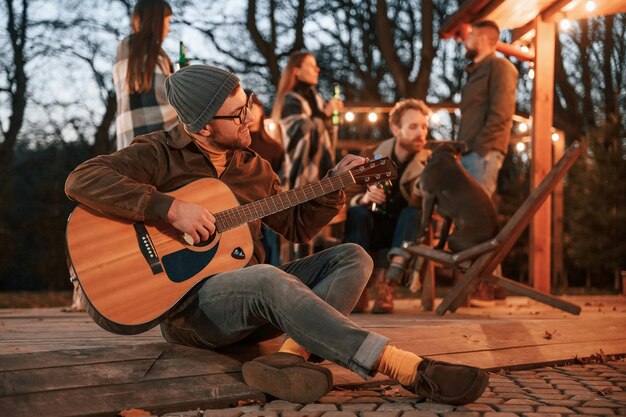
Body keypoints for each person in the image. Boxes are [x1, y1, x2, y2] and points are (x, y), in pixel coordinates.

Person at [65, 64, 488, 406]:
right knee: (267, 276)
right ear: (203, 127)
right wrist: (168, 208)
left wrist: (335, 186)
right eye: (237, 114)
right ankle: (405, 368)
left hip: (252, 306)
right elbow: (82, 179)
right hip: (190, 313)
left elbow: (298, 226)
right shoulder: (157, 153)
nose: (250, 115)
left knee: (353, 257)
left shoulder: (254, 168)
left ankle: (287, 361)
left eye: (246, 103)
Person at [344, 99, 430, 314]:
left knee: (412, 213)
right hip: (372, 227)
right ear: (395, 129)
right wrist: (364, 198)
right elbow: (346, 195)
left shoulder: (430, 162)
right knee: (356, 212)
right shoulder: (373, 155)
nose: (421, 132)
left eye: (424, 126)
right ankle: (358, 289)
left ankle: (388, 286)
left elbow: (431, 205)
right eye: (413, 126)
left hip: (403, 233)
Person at [457, 20, 519, 304]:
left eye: (468, 37)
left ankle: (485, 285)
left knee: (479, 216)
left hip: (483, 153)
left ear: (482, 38)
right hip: (468, 153)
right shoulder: (474, 72)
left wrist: (481, 149)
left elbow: (501, 113)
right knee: (476, 216)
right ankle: (489, 285)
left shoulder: (501, 68)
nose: (464, 42)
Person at [271, 51, 343, 190]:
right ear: (296, 71)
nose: (317, 69)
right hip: (298, 176)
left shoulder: (317, 99)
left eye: (316, 65)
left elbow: (326, 136)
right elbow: (301, 132)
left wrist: (330, 119)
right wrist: (325, 114)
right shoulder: (290, 100)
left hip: (321, 171)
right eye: (311, 65)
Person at [113, 0, 178, 150]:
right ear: (156, 21)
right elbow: (165, 98)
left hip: (128, 142)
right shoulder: (153, 54)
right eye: (167, 22)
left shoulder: (124, 50)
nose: (168, 30)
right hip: (156, 143)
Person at [247, 91, 285, 266]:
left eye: (252, 106)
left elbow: (280, 178)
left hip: (267, 205)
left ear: (261, 110)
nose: (248, 112)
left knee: (270, 228)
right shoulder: (236, 146)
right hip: (242, 206)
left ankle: (274, 271)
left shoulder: (274, 147)